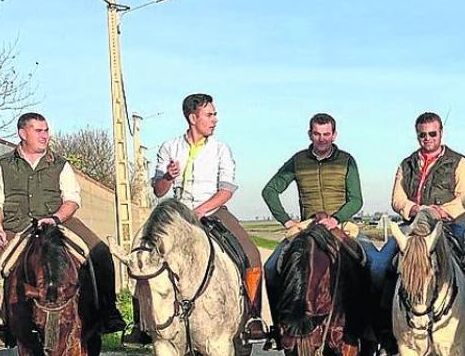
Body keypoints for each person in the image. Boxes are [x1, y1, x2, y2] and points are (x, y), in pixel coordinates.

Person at [0, 112, 125, 350]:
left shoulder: (60, 164)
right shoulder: (2, 164)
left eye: (46, 130)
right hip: (17, 226)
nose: (45, 135)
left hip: (58, 222)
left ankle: (108, 312)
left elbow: (72, 200)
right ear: (22, 133)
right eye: (38, 131)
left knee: (101, 252)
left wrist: (55, 218)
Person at [139, 93, 267, 342]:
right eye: (210, 115)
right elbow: (158, 190)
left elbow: (226, 190)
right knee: (143, 256)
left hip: (212, 211)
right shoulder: (169, 147)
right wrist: (167, 177)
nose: (215, 120)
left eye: (214, 114)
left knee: (251, 254)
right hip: (176, 215)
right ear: (192, 117)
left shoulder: (221, 150)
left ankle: (253, 317)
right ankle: (141, 322)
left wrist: (200, 211)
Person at [390, 112, 465, 352]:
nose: (427, 138)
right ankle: (388, 328)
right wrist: (414, 208)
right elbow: (397, 198)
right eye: (422, 134)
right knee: (383, 264)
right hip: (414, 226)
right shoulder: (406, 164)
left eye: (432, 134)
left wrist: (440, 211)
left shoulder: (459, 161)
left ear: (441, 133)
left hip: (449, 225)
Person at [261, 112, 364, 322]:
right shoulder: (298, 160)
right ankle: (278, 328)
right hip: (308, 226)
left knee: (370, 264)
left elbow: (356, 200)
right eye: (317, 134)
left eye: (326, 134)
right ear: (310, 134)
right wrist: (287, 221)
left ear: (334, 135)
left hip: (341, 225)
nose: (322, 139)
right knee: (271, 268)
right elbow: (269, 190)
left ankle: (369, 327)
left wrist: (335, 219)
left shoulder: (347, 161)